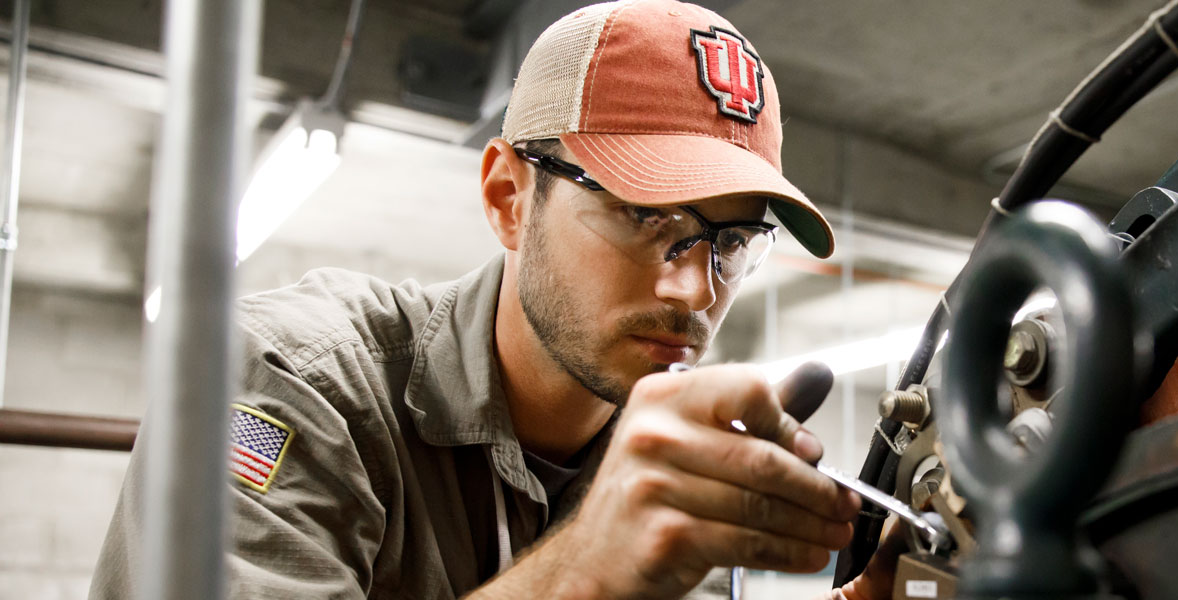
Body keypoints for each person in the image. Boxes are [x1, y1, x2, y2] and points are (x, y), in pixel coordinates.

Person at [93, 1, 900, 598]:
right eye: (644, 216)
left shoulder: (660, 459)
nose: (694, 288)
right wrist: (585, 567)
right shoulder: (291, 380)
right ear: (510, 197)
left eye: (732, 243)